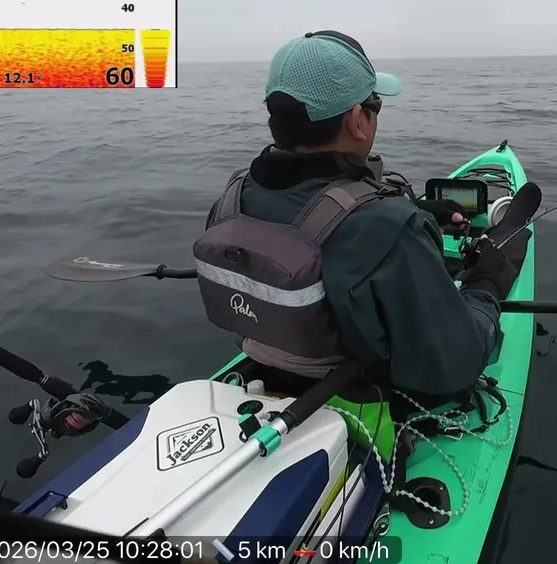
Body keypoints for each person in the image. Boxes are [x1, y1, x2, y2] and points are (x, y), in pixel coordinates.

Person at [193, 30, 519, 400]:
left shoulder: (231, 199)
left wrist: (414, 212)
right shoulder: (390, 229)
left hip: (270, 374)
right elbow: (455, 364)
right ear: (357, 121)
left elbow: (313, 222)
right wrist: (486, 283)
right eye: (374, 105)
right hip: (367, 400)